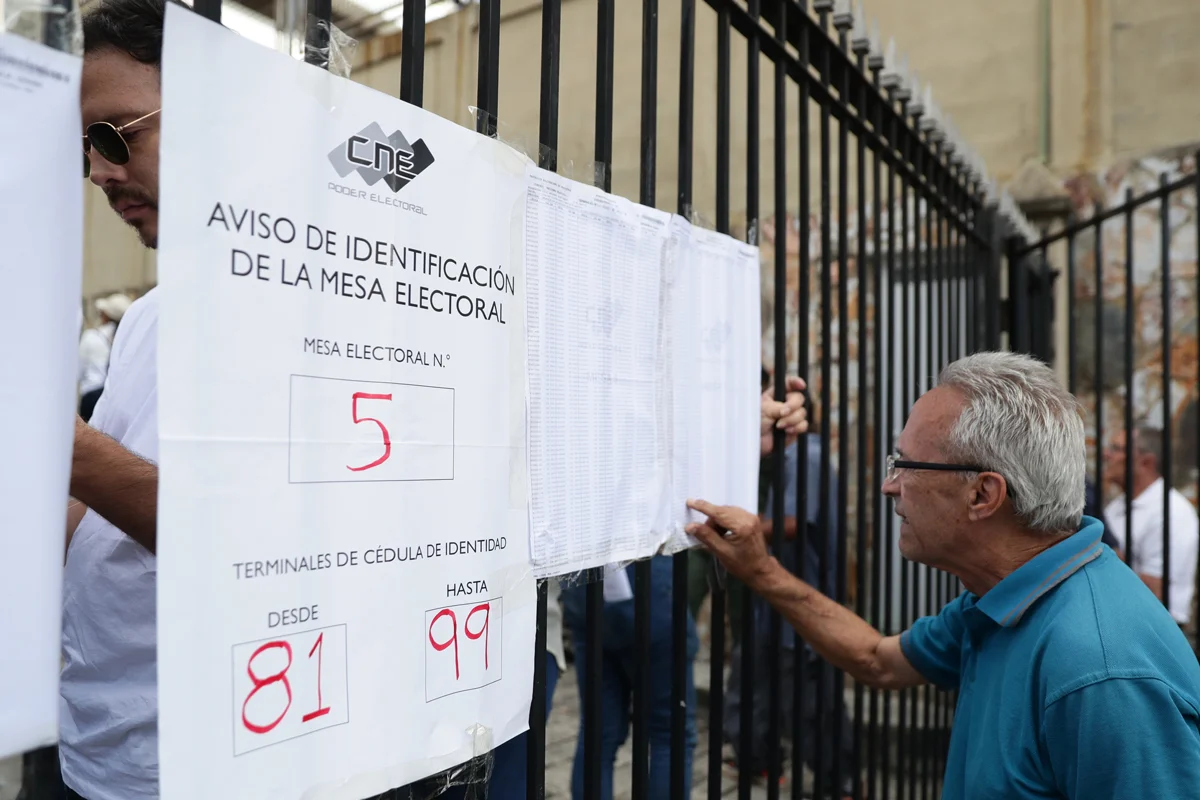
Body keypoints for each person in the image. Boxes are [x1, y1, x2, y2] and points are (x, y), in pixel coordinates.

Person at [687, 351, 1200, 799]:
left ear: (983, 494)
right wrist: (761, 570)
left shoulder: (1101, 673)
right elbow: (877, 659)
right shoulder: (1007, 594)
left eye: (906, 464)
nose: (889, 486)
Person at [561, 376, 809, 800]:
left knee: (599, 730)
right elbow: (691, 469)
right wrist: (743, 430)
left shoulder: (578, 401)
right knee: (670, 732)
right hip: (646, 572)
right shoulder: (650, 396)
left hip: (584, 575)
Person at [60, 2, 170, 798]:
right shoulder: (149, 316)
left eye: (114, 134)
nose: (99, 171)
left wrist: (46, 434)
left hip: (194, 759)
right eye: (85, 148)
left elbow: (241, 540)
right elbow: (97, 516)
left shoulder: (316, 302)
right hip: (97, 740)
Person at [722, 431, 854, 796]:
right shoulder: (789, 459)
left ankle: (839, 780)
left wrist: (735, 529)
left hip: (802, 594)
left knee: (810, 695)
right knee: (757, 678)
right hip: (779, 598)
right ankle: (758, 759)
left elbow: (792, 523)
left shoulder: (804, 458)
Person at [1103, 426, 1200, 629]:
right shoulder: (1117, 506)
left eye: (1116, 448)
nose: (1106, 454)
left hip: (1154, 630)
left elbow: (1153, 590)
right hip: (1119, 623)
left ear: (1146, 462)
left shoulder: (1172, 511)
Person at [76, 292, 130, 421]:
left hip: (92, 397)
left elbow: (78, 371)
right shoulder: (128, 337)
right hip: (118, 398)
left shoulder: (91, 336)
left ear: (106, 315)